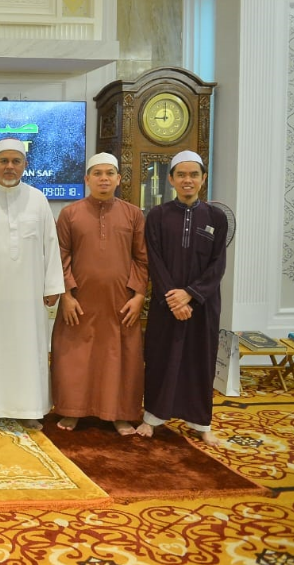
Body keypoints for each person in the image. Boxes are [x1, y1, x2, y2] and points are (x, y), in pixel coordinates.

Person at [0, 137, 63, 430]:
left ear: (25, 165)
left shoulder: (38, 199)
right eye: (3, 161)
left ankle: (30, 407)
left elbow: (50, 244)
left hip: (29, 291)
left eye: (15, 161)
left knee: (29, 347)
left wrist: (52, 285)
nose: (9, 167)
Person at [50, 153, 148, 435]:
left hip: (121, 302)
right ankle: (72, 411)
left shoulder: (133, 214)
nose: (103, 178)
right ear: (87, 179)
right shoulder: (70, 213)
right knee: (75, 356)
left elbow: (142, 259)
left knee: (120, 357)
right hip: (79, 302)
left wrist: (139, 295)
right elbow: (61, 255)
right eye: (97, 173)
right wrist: (67, 294)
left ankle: (120, 413)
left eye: (109, 173)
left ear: (118, 179)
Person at [137, 150, 228, 446]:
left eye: (193, 175)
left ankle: (201, 422)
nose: (187, 180)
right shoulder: (158, 216)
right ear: (172, 180)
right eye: (181, 175)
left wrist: (191, 294)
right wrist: (173, 297)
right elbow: (155, 259)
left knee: (200, 359)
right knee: (160, 357)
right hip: (167, 303)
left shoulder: (216, 217)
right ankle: (152, 418)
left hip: (203, 304)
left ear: (203, 178)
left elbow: (218, 264)